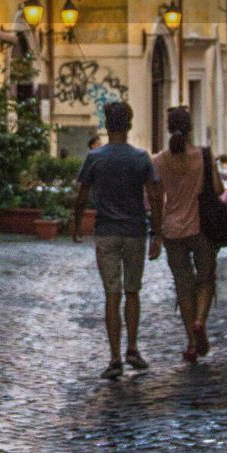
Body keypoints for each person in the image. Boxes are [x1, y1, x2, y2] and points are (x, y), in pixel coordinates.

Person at [73, 101, 163, 379]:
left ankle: (114, 358)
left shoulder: (95, 158)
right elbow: (155, 196)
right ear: (129, 124)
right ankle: (133, 349)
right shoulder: (140, 158)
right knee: (132, 291)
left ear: (106, 124)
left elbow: (81, 195)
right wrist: (157, 233)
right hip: (135, 232)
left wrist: (76, 224)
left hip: (106, 233)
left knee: (112, 295)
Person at [153, 107, 224, 363]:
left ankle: (192, 344)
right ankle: (199, 321)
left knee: (183, 286)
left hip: (172, 230)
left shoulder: (159, 160)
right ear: (190, 127)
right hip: (200, 229)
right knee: (205, 279)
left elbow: (155, 199)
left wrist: (156, 234)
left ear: (169, 128)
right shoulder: (203, 156)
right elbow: (217, 189)